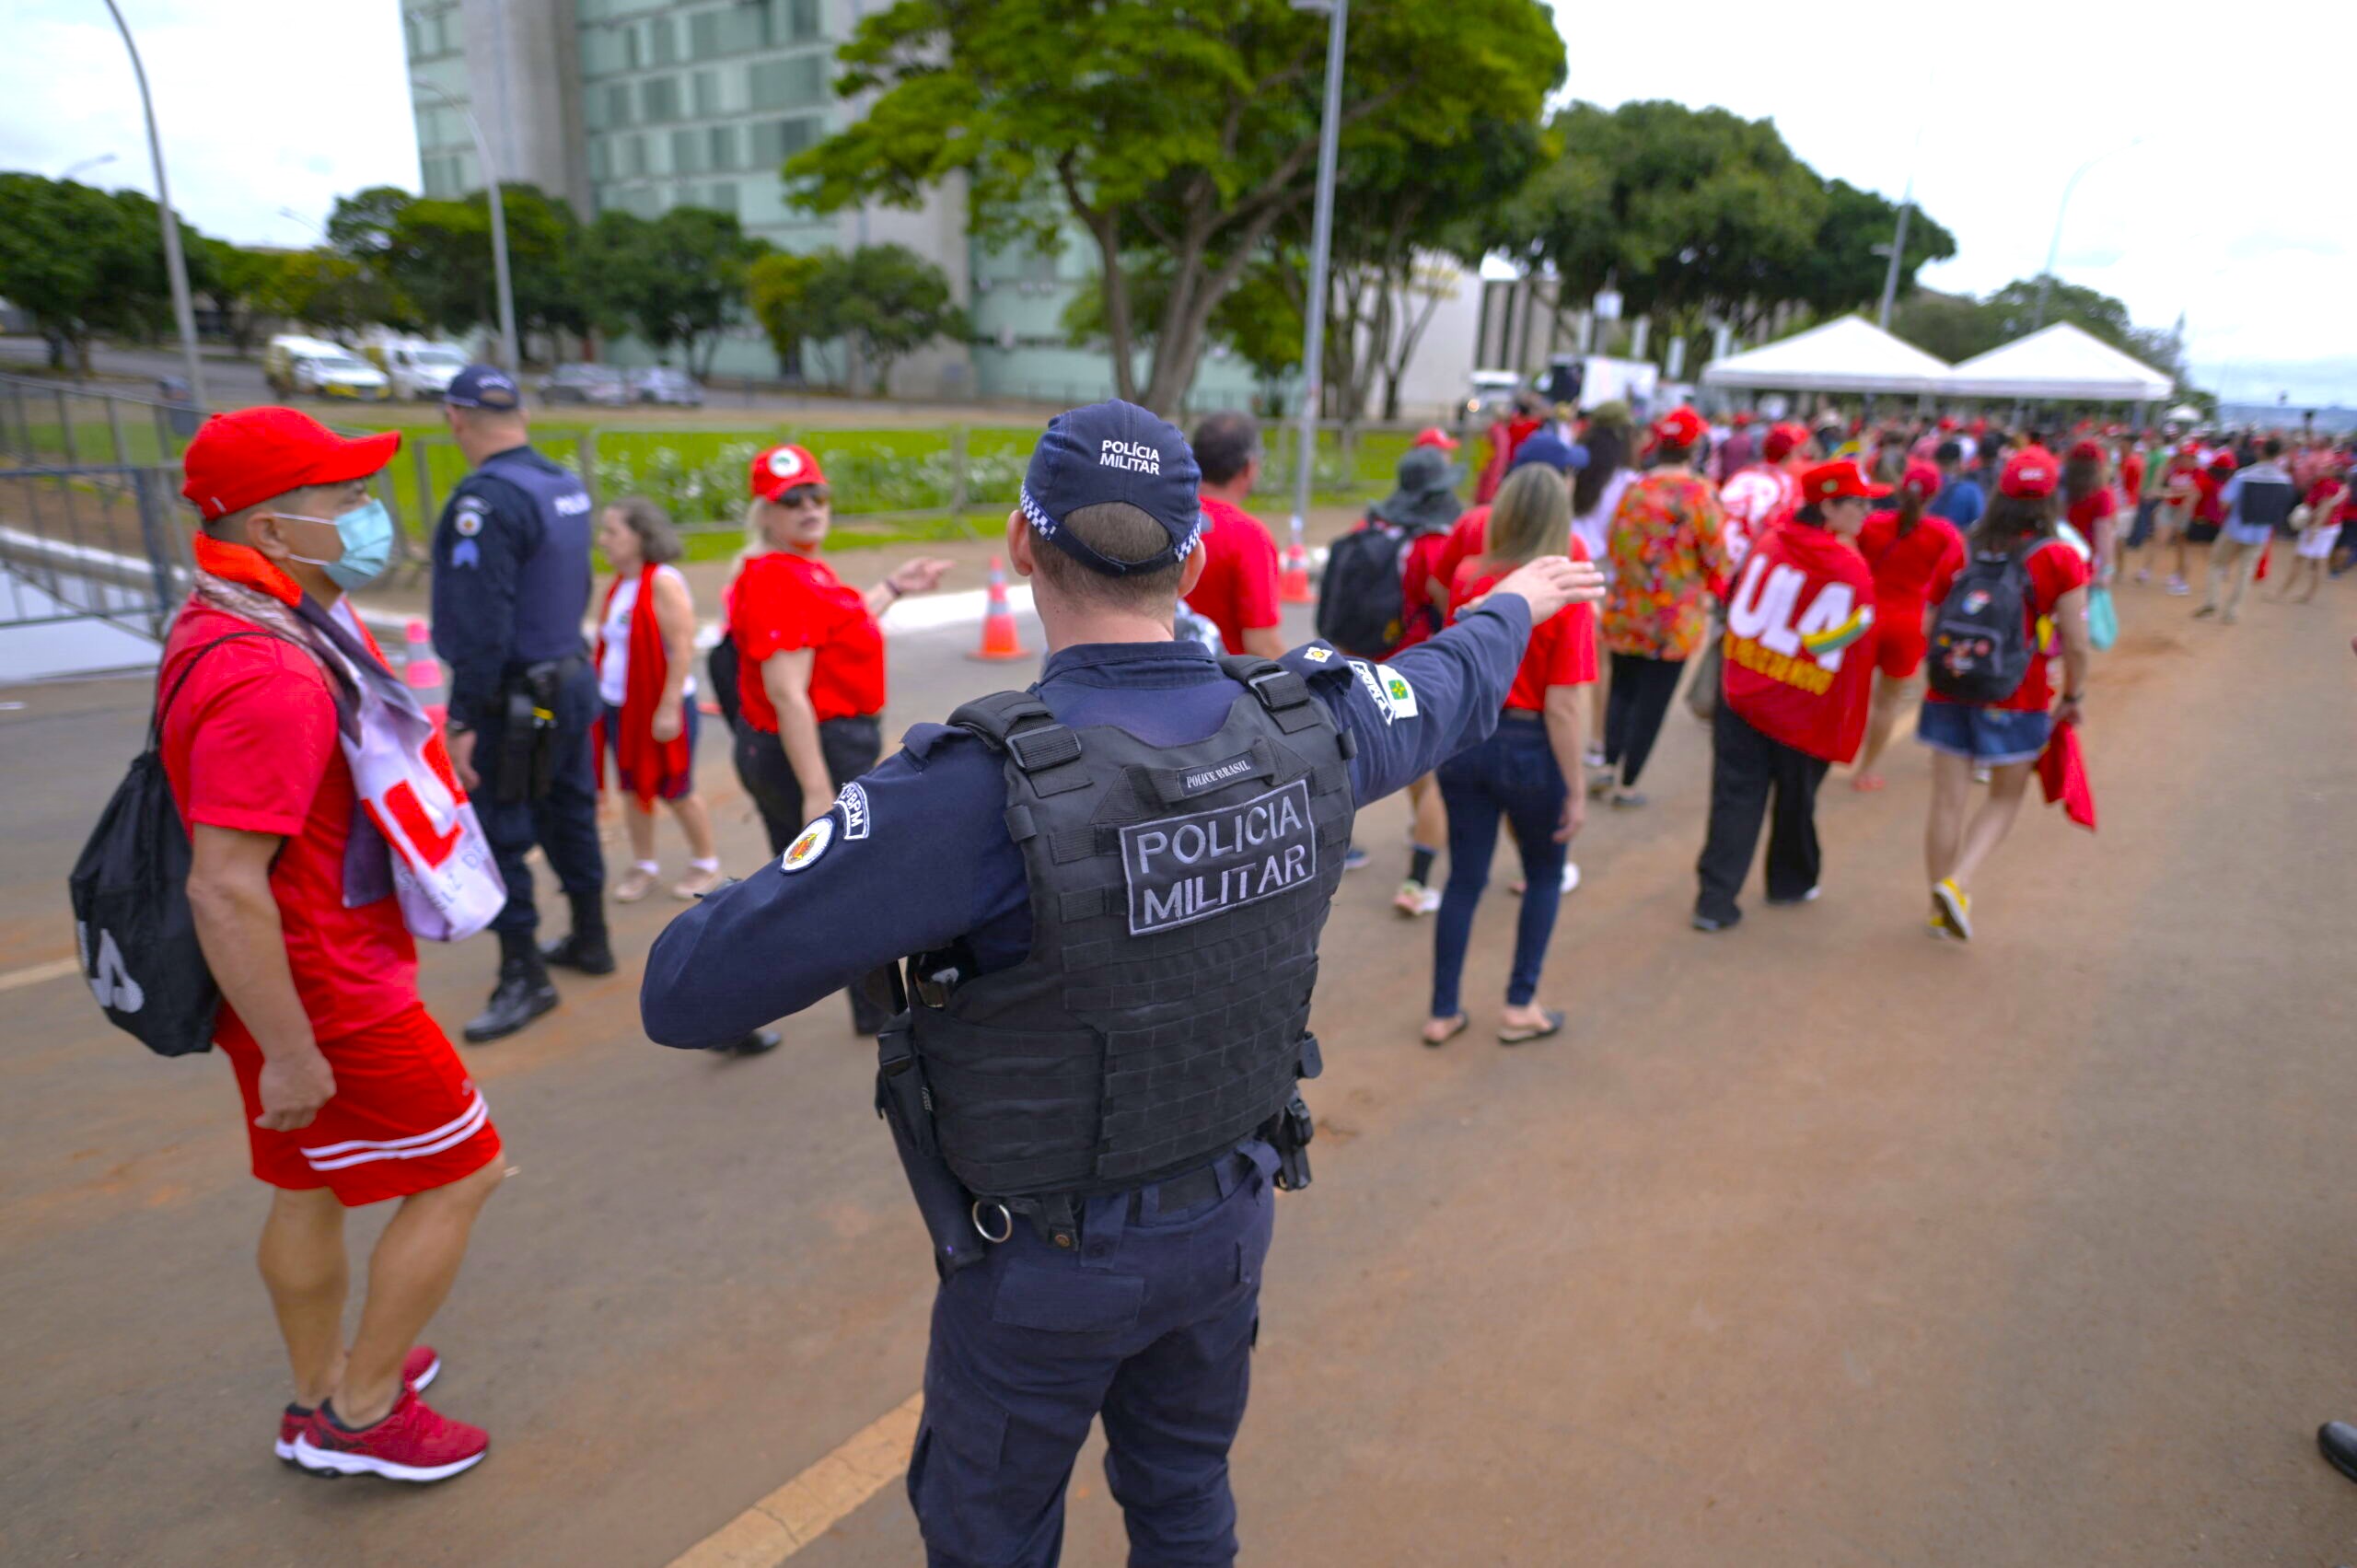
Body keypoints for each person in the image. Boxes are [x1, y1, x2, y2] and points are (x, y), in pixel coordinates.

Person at [641, 399, 1603, 1568]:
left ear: (1019, 543)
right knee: (1185, 1494)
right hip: (1228, 1220)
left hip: (1043, 1265)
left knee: (991, 1535)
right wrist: (1515, 601)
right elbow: (1444, 682)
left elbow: (683, 989)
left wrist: (838, 859)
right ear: (1191, 565)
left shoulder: (964, 793)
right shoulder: (1311, 726)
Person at [167, 407, 504, 1482]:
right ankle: (363, 1408)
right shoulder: (270, 668)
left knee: (307, 1184)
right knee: (465, 1170)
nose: (369, 515)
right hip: (323, 984)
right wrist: (292, 1049)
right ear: (272, 529)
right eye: (346, 498)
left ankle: (318, 1390)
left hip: (286, 977)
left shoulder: (234, 614)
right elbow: (224, 883)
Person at [723, 442, 952, 1035]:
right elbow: (787, 693)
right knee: (839, 888)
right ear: (765, 513)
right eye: (791, 500)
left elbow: (834, 626)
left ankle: (869, 1011)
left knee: (823, 886)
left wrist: (894, 586)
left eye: (816, 495)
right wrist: (817, 791)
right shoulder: (777, 576)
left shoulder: (798, 568)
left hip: (813, 745)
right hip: (811, 751)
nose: (808, 508)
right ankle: (733, 998)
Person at [428, 366, 607, 1044]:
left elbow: (481, 625)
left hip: (514, 698)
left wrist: (463, 716)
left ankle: (524, 973)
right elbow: (578, 583)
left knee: (502, 832)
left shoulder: (486, 501)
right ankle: (591, 936)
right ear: (521, 416)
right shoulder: (561, 483)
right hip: (568, 676)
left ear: (455, 419)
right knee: (570, 810)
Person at [1421, 464, 1596, 1046]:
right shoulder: (1564, 591)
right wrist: (1576, 789)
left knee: (1464, 878)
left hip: (1468, 739)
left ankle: (1443, 1011)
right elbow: (1564, 705)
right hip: (1531, 745)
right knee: (1543, 873)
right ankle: (1520, 1004)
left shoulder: (1470, 576)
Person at [1693, 459, 1885, 931]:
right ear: (1829, 507)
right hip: (1803, 708)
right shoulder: (1848, 567)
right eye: (1858, 504)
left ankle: (1714, 900)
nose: (1867, 512)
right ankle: (1789, 882)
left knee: (1734, 798)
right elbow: (1850, 647)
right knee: (1796, 801)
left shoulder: (1769, 541)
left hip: (1743, 695)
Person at [1919, 447, 2092, 942]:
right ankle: (1958, 882)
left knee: (1946, 801)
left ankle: (1937, 906)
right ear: (2051, 497)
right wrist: (2073, 696)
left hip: (1950, 688)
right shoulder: (2059, 557)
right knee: (2003, 797)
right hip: (2018, 693)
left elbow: (1929, 623)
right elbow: (2077, 643)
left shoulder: (1964, 547)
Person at [1353, 441, 1475, 913]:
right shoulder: (1433, 547)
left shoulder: (1371, 529)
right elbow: (1449, 606)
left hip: (1368, 665)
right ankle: (1416, 884)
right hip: (1416, 672)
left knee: (1400, 769)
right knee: (1431, 779)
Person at [1597, 404, 1730, 808]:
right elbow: (1717, 558)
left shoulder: (1635, 490)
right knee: (1652, 703)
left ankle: (1608, 765)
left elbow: (1615, 543)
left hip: (1627, 610)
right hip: (1674, 620)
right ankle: (1627, 783)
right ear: (1694, 446)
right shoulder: (1701, 495)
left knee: (1621, 690)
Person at [1851, 462, 1966, 791]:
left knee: (1849, 693)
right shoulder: (1944, 533)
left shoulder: (1872, 523)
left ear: (1900, 489)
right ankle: (1866, 770)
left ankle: (1830, 752)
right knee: (1886, 702)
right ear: (1935, 495)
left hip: (1863, 618)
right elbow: (1954, 581)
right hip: (1908, 625)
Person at [1182, 412, 1285, 659]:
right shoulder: (1249, 537)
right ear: (1249, 467)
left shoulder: (1165, 516)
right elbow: (1262, 644)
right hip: (1225, 677)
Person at [2197, 436, 2297, 623]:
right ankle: (2232, 612)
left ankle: (2212, 602)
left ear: (2261, 451)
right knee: (2245, 572)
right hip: (2261, 533)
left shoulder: (2244, 475)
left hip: (2235, 529)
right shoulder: (2284, 480)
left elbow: (2225, 502)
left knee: (2216, 564)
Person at [1717, 419, 1805, 568]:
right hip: (1748, 562)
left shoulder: (1741, 473)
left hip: (1718, 554)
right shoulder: (1787, 485)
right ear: (1791, 453)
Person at [2273, 469, 2347, 603]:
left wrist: (2314, 529)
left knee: (2300, 560)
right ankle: (2309, 595)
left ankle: (2282, 593)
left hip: (2320, 528)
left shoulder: (2327, 485)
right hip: (2329, 527)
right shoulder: (2335, 486)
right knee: (2319, 561)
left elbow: (2324, 508)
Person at [2061, 438, 2119, 584]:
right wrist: (2107, 568)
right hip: (2085, 561)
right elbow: (2104, 532)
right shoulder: (2102, 493)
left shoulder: (2059, 486)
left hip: (2057, 556)